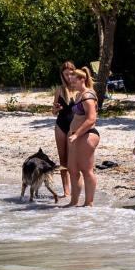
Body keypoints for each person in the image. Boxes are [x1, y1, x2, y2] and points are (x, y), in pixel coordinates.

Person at [66, 67, 100, 207]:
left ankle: (89, 203)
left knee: (86, 170)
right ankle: (74, 202)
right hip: (76, 136)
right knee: (72, 169)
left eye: (74, 82)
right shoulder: (79, 95)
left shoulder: (88, 96)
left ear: (82, 79)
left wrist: (77, 134)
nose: (71, 85)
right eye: (70, 82)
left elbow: (91, 119)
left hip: (87, 136)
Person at [51, 61, 76, 198]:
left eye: (71, 73)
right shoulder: (59, 90)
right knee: (63, 161)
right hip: (60, 125)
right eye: (66, 74)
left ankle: (76, 190)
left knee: (73, 160)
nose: (69, 77)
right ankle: (66, 191)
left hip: (74, 127)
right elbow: (53, 112)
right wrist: (56, 108)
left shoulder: (79, 88)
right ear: (62, 75)